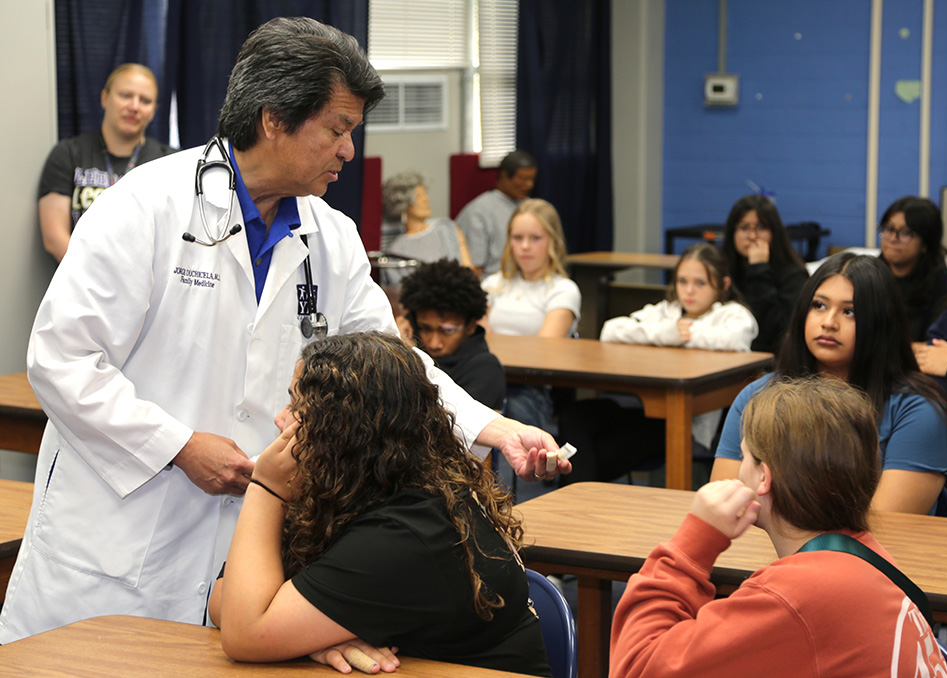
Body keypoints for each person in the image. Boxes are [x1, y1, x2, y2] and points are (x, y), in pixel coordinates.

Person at [0, 17, 569, 646]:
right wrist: (177, 443)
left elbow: (397, 367)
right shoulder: (146, 205)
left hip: (246, 550)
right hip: (116, 537)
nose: (350, 150)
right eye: (338, 130)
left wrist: (496, 427)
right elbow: (61, 360)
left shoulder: (331, 236)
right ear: (274, 119)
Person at [208, 334, 551, 676]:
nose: (281, 419)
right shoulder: (350, 488)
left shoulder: (410, 530)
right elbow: (224, 598)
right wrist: (312, 638)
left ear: (343, 429)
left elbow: (244, 634)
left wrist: (266, 488)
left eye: (298, 408)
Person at [610, 377, 947, 677]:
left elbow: (636, 667)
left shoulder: (797, 594)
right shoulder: (867, 555)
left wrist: (693, 543)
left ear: (762, 477)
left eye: (744, 457)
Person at [711, 252, 947, 515]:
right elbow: (723, 510)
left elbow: (886, 529)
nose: (828, 323)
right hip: (765, 552)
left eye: (849, 312)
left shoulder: (919, 413)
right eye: (819, 305)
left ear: (880, 323)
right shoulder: (757, 395)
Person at [558, 243, 757, 485]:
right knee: (573, 417)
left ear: (723, 285)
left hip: (684, 422)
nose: (689, 291)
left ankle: (573, 503)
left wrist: (686, 335)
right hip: (642, 407)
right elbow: (611, 330)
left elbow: (735, 339)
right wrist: (667, 333)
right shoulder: (666, 312)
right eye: (682, 281)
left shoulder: (732, 314)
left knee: (589, 457)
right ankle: (577, 498)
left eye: (700, 283)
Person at [38, 63, 175, 262]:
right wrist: (99, 278)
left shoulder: (169, 162)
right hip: (82, 283)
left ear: (153, 111)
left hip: (146, 285)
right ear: (105, 98)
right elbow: (54, 237)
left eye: (145, 101)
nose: (134, 106)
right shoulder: (68, 154)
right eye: (125, 95)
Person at [482, 198, 581, 429]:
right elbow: (478, 341)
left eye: (535, 238)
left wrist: (497, 345)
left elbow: (541, 352)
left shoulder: (563, 290)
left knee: (512, 413)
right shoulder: (492, 284)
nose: (525, 246)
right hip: (488, 379)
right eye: (518, 238)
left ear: (553, 242)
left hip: (530, 389)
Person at [399, 259, 505, 410]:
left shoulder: (485, 369)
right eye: (425, 328)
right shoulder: (412, 345)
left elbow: (444, 423)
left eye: (448, 331)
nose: (434, 343)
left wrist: (411, 360)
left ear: (471, 326)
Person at [721, 194, 808, 353]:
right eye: (744, 228)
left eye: (761, 228)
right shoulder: (723, 270)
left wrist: (759, 269)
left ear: (774, 233)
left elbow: (778, 332)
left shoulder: (793, 274)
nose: (753, 236)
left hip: (771, 362)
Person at [877, 196, 947, 342]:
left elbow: (936, 345)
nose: (893, 239)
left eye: (906, 233)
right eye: (888, 229)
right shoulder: (869, 274)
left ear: (925, 243)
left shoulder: (945, 284)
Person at [378, 170, 473, 286]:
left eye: (425, 194)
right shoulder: (395, 252)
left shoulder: (447, 227)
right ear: (402, 203)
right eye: (418, 196)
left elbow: (468, 269)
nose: (426, 199)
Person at [456, 150, 537, 277]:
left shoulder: (534, 208)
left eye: (532, 179)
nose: (529, 185)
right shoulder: (478, 213)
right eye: (523, 179)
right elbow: (473, 270)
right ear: (505, 176)